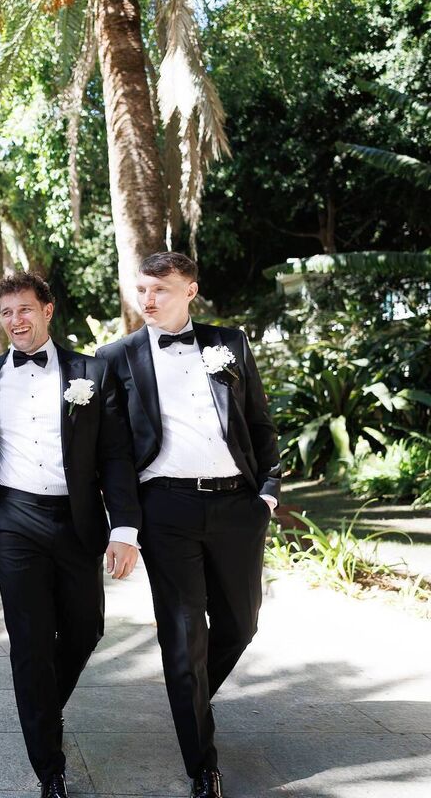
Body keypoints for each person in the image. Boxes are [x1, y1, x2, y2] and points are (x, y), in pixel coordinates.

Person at [96, 251, 280, 798]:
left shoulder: (232, 344)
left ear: (190, 290)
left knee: (240, 625)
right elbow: (115, 455)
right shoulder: (117, 357)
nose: (148, 300)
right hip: (166, 512)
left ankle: (189, 696)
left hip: (237, 509)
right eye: (142, 290)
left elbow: (259, 423)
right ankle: (202, 764)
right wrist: (124, 527)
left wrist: (267, 495)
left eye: (161, 290)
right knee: (183, 638)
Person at [0, 273, 141, 798]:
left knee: (86, 628)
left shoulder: (92, 372)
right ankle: (49, 768)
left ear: (48, 310)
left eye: (25, 310)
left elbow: (115, 456)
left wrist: (124, 528)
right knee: (31, 642)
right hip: (13, 518)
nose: (16, 321)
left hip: (76, 518)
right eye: (6, 312)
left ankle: (39, 705)